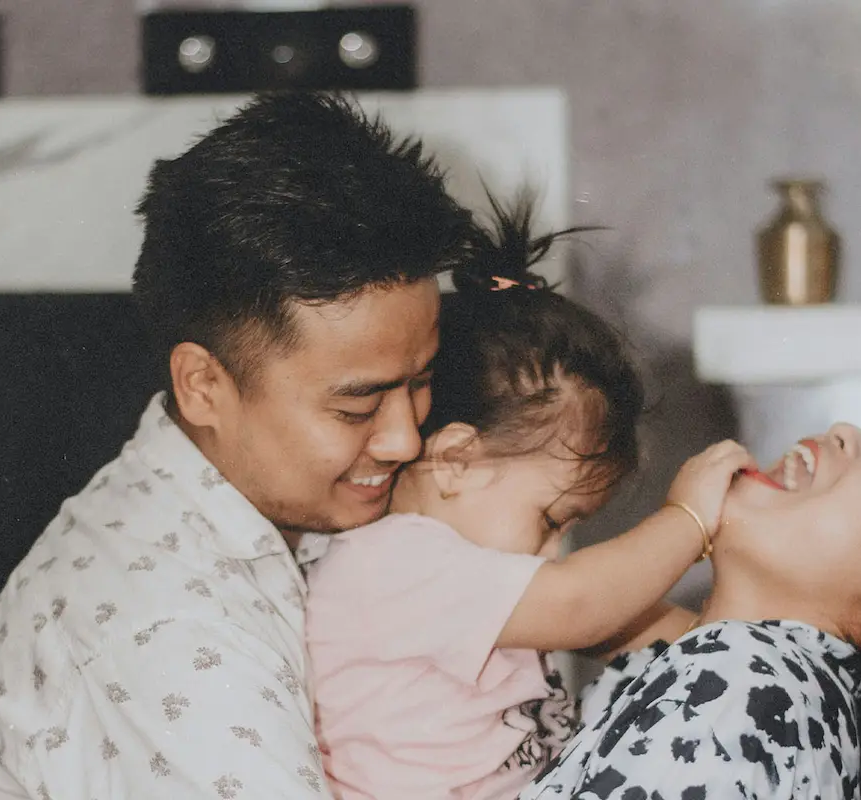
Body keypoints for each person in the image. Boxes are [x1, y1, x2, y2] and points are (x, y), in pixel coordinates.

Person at [0, 92, 478, 799]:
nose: (403, 438)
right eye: (356, 405)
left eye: (421, 381)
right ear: (203, 385)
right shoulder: (169, 636)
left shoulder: (254, 511)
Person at [302, 195, 755, 799]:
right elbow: (581, 604)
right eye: (549, 519)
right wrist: (689, 519)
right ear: (457, 460)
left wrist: (748, 646)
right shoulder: (391, 561)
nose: (550, 552)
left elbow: (623, 621)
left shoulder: (468, 576)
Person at [520, 425, 861, 800]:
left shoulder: (740, 683)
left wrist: (685, 521)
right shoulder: (783, 694)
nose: (845, 431)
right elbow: (582, 611)